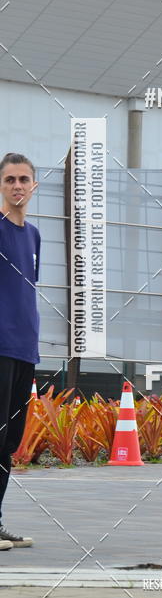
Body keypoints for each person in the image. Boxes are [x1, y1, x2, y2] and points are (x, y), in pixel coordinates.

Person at [0, 152, 39, 550]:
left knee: (9, 442)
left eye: (23, 179)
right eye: (9, 179)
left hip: (24, 350)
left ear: (33, 186)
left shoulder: (34, 235)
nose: (16, 185)